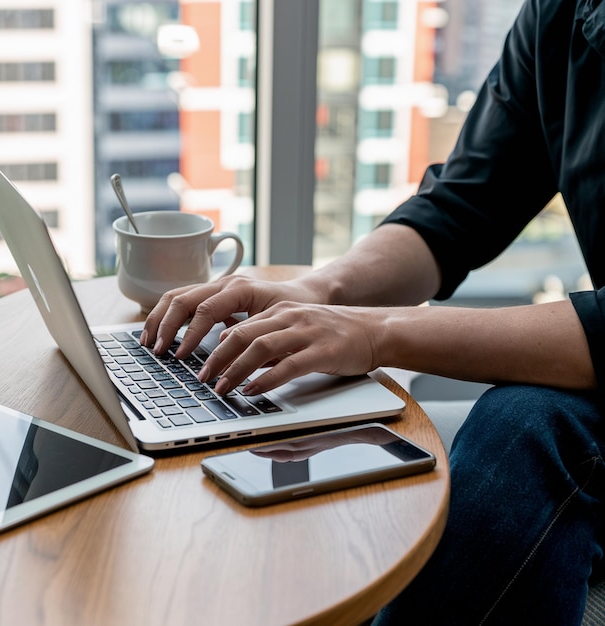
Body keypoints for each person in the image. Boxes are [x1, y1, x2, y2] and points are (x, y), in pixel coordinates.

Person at [141, 0, 605, 623]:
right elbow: (457, 210)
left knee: (527, 426)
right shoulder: (561, 14)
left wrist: (376, 331)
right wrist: (323, 290)